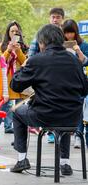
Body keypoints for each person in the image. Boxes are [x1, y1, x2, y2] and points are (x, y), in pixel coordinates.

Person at [10, 25, 88, 176]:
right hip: (73, 117)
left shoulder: (37, 60)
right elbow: (85, 90)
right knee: (63, 117)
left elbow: (16, 85)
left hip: (45, 115)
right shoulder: (75, 61)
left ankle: (21, 159)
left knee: (17, 112)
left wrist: (24, 65)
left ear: (42, 42)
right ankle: (65, 163)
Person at [0, 21, 29, 143]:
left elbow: (25, 63)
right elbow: (0, 61)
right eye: (12, 31)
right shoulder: (2, 45)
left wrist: (18, 51)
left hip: (19, 81)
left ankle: (19, 138)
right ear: (8, 32)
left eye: (16, 31)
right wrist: (8, 50)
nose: (14, 33)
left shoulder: (23, 46)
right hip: (5, 81)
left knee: (20, 111)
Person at [28, 8, 65, 143]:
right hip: (44, 76)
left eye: (58, 17)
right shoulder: (40, 35)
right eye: (53, 17)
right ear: (49, 18)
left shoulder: (66, 35)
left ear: (63, 19)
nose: (55, 19)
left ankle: (58, 132)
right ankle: (49, 132)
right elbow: (31, 56)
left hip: (63, 77)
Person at [62, 19, 88, 149]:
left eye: (71, 33)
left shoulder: (83, 45)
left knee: (80, 107)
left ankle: (78, 135)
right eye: (66, 33)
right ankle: (67, 132)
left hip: (79, 80)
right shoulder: (60, 45)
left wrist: (78, 51)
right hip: (64, 80)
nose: (69, 36)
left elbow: (85, 61)